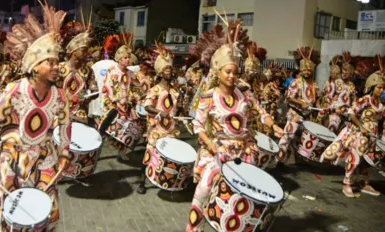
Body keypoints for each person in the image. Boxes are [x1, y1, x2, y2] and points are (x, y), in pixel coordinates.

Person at [0, 3, 71, 232]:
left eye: (57, 62)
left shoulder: (60, 96)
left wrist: (63, 153)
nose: (57, 67)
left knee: (45, 210)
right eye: (50, 62)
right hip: (11, 158)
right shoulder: (16, 89)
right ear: (34, 66)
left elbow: (65, 127)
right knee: (2, 211)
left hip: (44, 157)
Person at [186, 20, 282, 232]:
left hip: (245, 152)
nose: (231, 76)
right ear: (218, 71)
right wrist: (210, 145)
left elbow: (261, 112)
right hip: (217, 151)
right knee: (203, 189)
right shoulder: (208, 96)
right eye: (227, 72)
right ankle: (194, 229)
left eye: (234, 72)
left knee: (248, 197)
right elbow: (198, 126)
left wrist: (273, 125)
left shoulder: (244, 94)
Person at [321, 56, 384, 197]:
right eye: (379, 88)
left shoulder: (380, 104)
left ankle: (363, 184)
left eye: (383, 88)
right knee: (355, 158)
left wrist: (379, 134)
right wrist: (361, 126)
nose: (381, 90)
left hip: (372, 136)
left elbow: (379, 121)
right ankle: (347, 183)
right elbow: (351, 112)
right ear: (372, 87)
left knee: (366, 163)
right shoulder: (365, 100)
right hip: (360, 134)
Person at [136, 44, 179, 194]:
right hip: (156, 129)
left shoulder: (175, 91)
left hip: (171, 128)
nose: (170, 71)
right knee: (149, 152)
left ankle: (166, 179)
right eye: (167, 69)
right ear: (160, 72)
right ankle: (142, 181)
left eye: (170, 68)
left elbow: (176, 109)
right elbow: (147, 106)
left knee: (171, 155)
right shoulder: (154, 90)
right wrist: (160, 113)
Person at [99, 33, 143, 160]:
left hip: (126, 105)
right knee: (106, 127)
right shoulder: (112, 70)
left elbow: (138, 87)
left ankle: (122, 151)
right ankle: (97, 147)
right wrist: (114, 100)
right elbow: (107, 86)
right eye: (125, 58)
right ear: (118, 58)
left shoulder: (130, 73)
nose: (128, 60)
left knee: (124, 129)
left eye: (129, 58)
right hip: (112, 105)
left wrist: (138, 95)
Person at [276, 46, 320, 165]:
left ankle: (299, 161)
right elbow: (289, 98)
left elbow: (316, 100)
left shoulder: (314, 85)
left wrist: (318, 111)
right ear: (300, 70)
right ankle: (279, 161)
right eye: (304, 70)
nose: (306, 72)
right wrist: (302, 103)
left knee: (300, 139)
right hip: (295, 115)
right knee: (287, 137)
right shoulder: (296, 83)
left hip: (307, 117)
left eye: (308, 70)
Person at [57, 21, 98, 124]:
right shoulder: (60, 68)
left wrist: (91, 93)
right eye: (83, 50)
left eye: (86, 50)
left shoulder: (88, 70)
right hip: (61, 114)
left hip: (81, 116)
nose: (86, 53)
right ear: (73, 50)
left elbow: (94, 90)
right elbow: (54, 92)